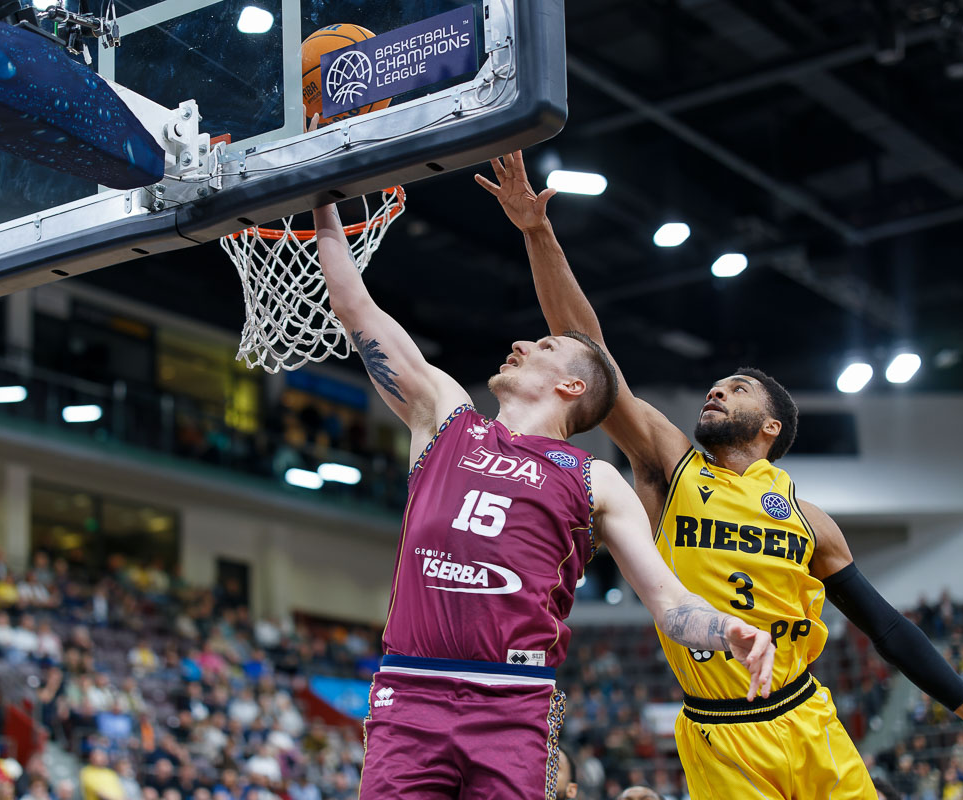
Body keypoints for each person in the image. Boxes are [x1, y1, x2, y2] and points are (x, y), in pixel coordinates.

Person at [479, 150, 963, 799]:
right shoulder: (673, 467)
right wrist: (538, 232)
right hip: (720, 734)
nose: (716, 393)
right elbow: (590, 355)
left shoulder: (811, 522)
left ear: (771, 425)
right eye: (715, 387)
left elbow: (889, 630)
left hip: (810, 721)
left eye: (738, 388)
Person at [309, 167, 776, 800]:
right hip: (410, 692)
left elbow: (668, 603)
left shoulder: (596, 480)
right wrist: (319, 198)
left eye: (546, 345)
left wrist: (729, 630)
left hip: (515, 706)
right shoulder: (447, 418)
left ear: (573, 386)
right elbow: (356, 308)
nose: (521, 341)